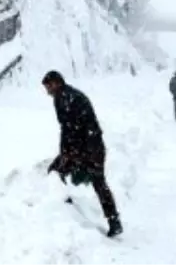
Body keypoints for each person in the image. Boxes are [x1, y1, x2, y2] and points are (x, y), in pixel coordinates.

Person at [41, 71, 123, 237]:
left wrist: (71, 153)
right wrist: (65, 151)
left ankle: (112, 221)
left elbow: (75, 127)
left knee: (96, 181)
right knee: (58, 172)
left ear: (56, 83)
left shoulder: (71, 98)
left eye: (48, 86)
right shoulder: (61, 97)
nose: (47, 91)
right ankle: (66, 209)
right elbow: (66, 128)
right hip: (80, 146)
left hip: (91, 147)